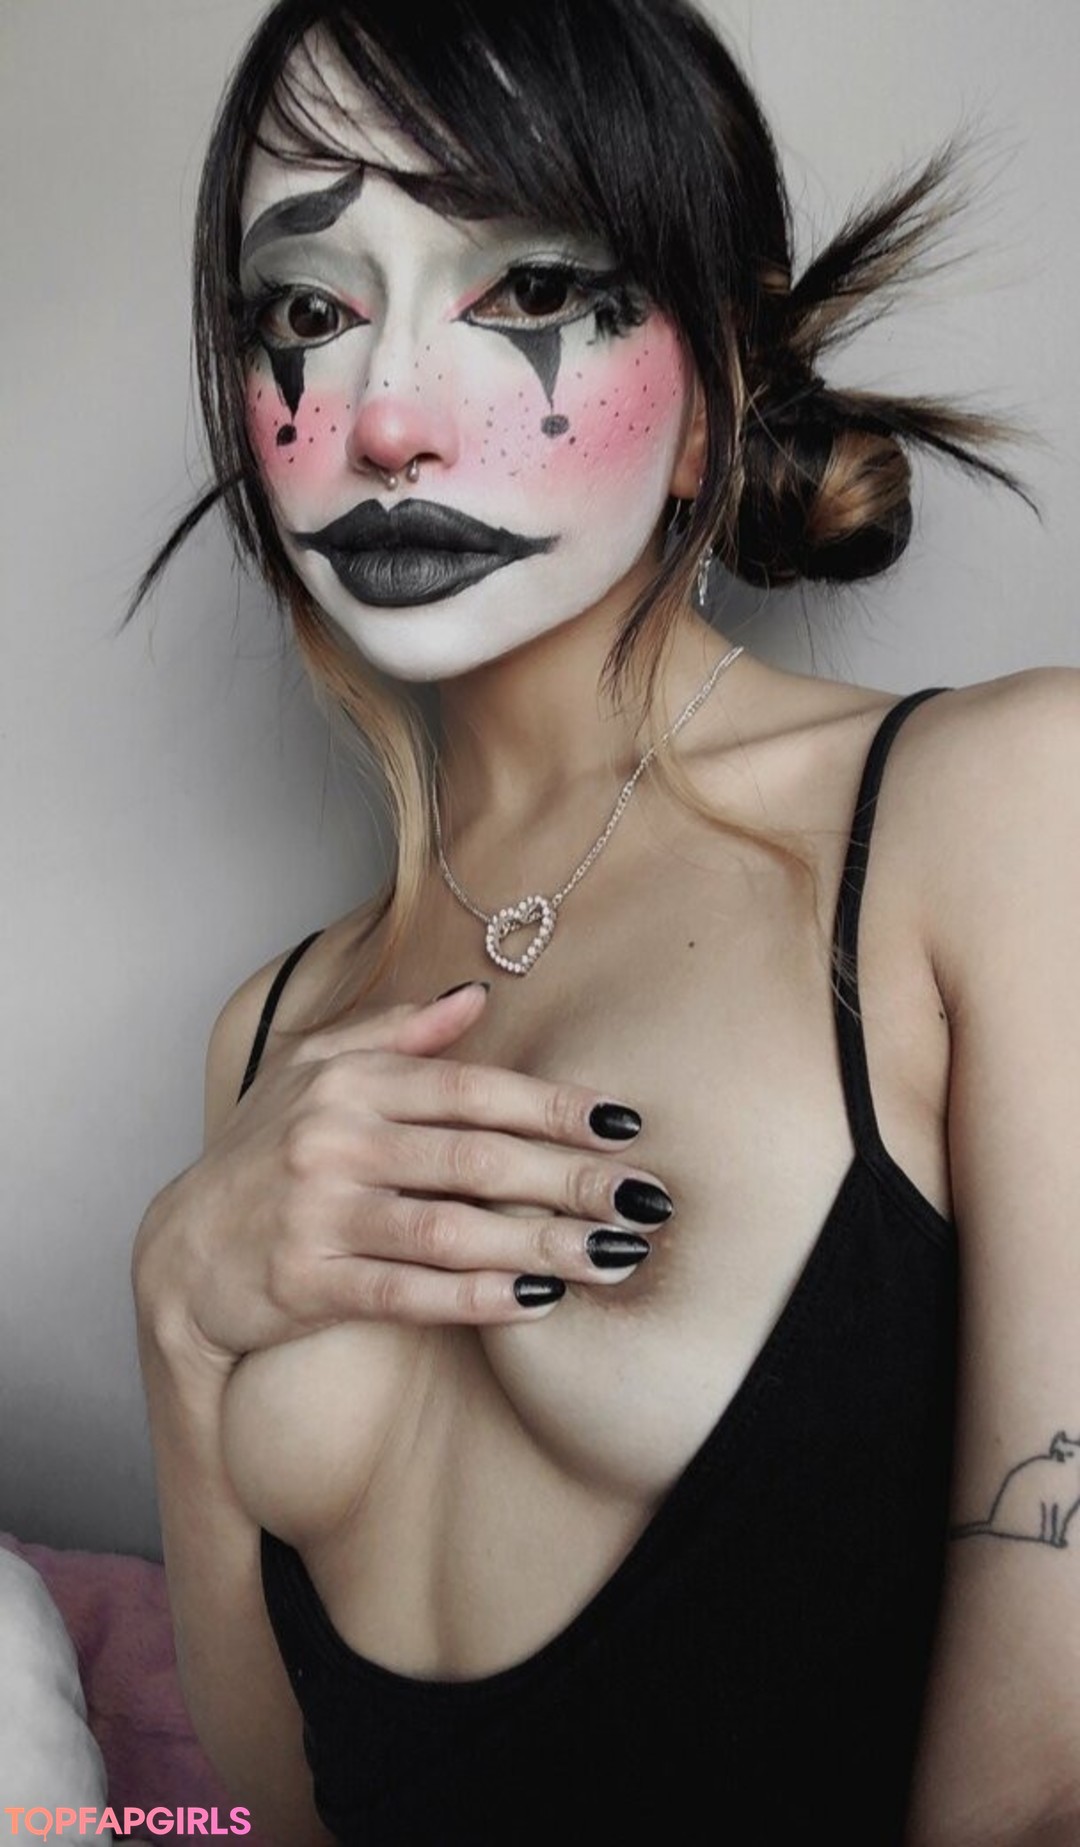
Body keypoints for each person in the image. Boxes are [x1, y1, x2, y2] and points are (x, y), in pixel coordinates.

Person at [130, 2, 1080, 1842]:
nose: (384, 419)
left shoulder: (995, 815)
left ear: (715, 379)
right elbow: (272, 1815)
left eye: (531, 288)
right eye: (308, 313)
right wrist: (174, 1317)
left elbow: (1045, 1790)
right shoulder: (270, 1033)